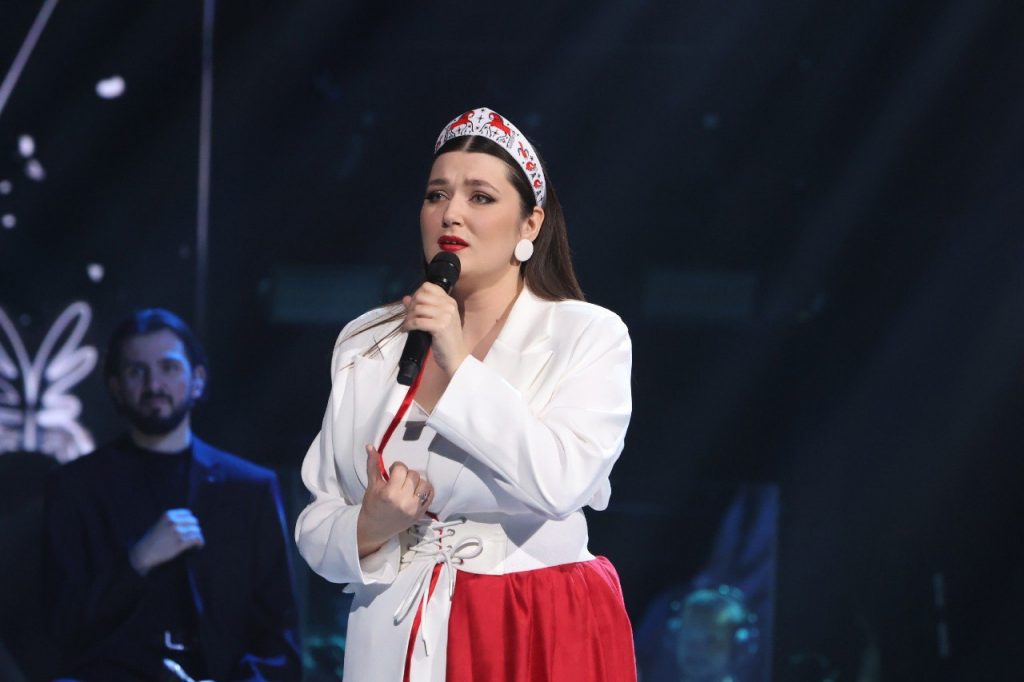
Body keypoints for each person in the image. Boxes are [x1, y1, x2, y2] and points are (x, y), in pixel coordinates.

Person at [294, 107, 636, 681]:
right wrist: (369, 526)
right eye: (436, 195)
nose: (450, 212)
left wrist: (456, 360)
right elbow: (316, 521)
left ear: (530, 224)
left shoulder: (586, 333)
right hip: (393, 627)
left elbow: (562, 481)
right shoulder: (366, 342)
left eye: (480, 196)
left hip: (532, 623)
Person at [43, 308, 302, 681]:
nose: (154, 385)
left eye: (169, 368)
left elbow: (280, 638)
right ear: (115, 386)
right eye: (137, 371)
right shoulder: (75, 487)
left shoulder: (250, 488)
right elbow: (61, 625)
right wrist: (137, 560)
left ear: (197, 379)